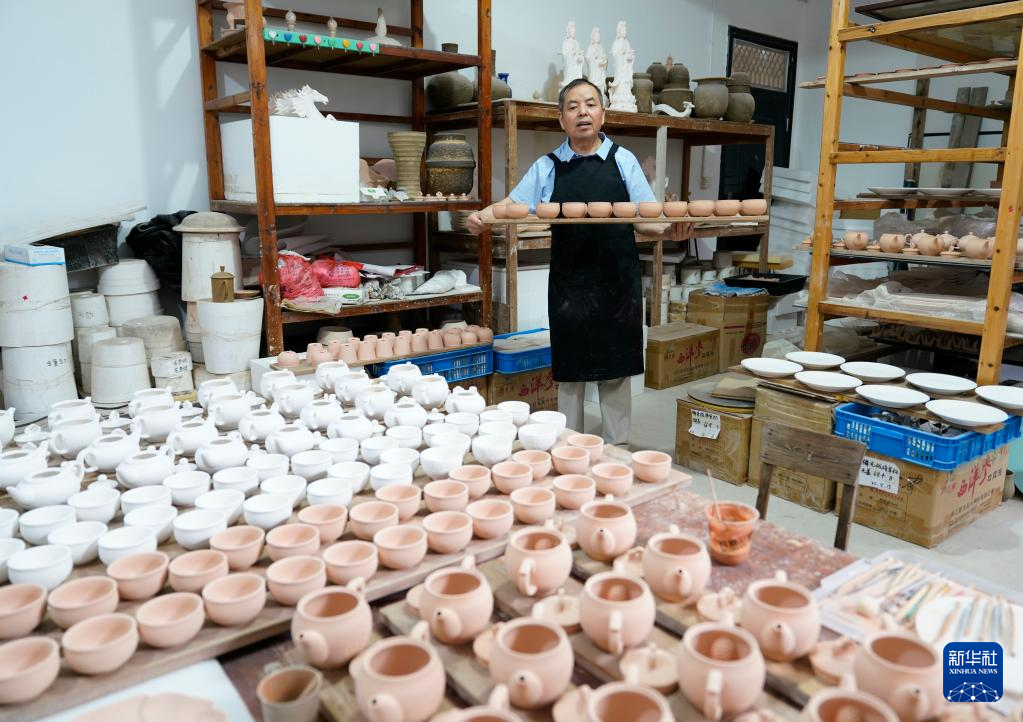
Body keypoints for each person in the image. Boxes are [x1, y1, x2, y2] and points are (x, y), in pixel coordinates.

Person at [467, 78, 668, 445]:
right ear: (561, 119)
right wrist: (483, 217)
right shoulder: (548, 167)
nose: (582, 113)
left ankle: (617, 449)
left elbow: (646, 219)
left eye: (590, 104)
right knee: (571, 369)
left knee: (615, 368)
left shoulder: (623, 161)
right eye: (573, 107)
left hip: (617, 280)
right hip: (570, 282)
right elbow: (512, 205)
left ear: (603, 113)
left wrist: (672, 228)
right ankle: (569, 447)